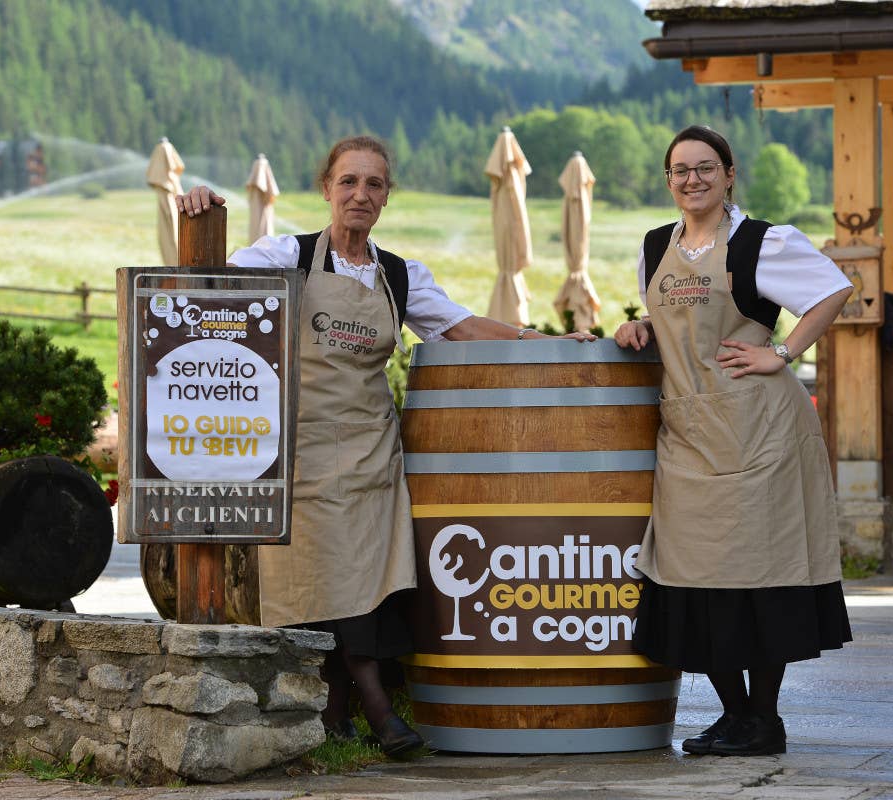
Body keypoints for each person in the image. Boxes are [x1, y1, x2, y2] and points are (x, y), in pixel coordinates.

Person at [178, 135, 593, 757]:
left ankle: (342, 710)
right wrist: (200, 210)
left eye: (374, 185)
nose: (360, 195)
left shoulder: (397, 275)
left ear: (386, 197)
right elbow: (210, 288)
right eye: (348, 182)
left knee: (365, 582)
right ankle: (374, 709)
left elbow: (458, 326)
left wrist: (543, 341)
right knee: (329, 578)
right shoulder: (286, 255)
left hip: (373, 449)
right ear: (326, 189)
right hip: (303, 449)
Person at [615, 125, 854, 757]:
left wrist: (782, 351)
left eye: (704, 168)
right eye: (679, 170)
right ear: (669, 181)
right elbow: (674, 320)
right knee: (691, 572)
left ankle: (764, 719)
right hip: (689, 433)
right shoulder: (653, 246)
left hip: (759, 432)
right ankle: (735, 713)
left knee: (759, 574)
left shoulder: (760, 241)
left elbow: (834, 289)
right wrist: (638, 326)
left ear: (728, 174)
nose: (691, 180)